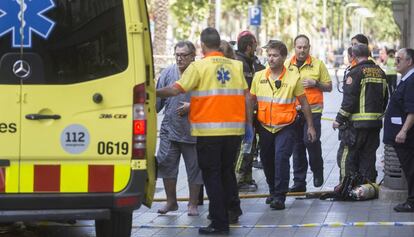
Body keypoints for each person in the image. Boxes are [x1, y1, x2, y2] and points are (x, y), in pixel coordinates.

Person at [156, 27, 250, 234]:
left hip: (209, 133)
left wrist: (149, 91)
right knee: (227, 174)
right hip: (234, 132)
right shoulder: (236, 66)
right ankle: (229, 213)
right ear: (218, 43)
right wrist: (249, 126)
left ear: (202, 45)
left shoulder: (198, 67)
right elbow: (247, 96)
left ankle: (218, 222)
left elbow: (174, 90)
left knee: (212, 177)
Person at [250, 40, 316, 210]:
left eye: (275, 56)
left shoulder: (293, 78)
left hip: (286, 126)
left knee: (281, 158)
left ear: (284, 57)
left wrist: (310, 126)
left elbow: (305, 103)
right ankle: (272, 190)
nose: (271, 59)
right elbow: (251, 101)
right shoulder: (259, 77)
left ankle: (280, 196)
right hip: (264, 126)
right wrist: (247, 124)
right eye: (269, 55)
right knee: (266, 160)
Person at [155, 41, 203, 216]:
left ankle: (193, 204)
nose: (180, 58)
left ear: (193, 56)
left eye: (184, 55)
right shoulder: (168, 72)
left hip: (193, 131)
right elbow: (156, 103)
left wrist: (192, 106)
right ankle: (171, 202)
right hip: (170, 130)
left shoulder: (200, 73)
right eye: (177, 55)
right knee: (167, 165)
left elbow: (209, 99)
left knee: (195, 168)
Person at [333, 44, 388, 183]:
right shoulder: (380, 72)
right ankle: (366, 188)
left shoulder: (356, 72)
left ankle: (346, 187)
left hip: (356, 126)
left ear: (353, 57)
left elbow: (349, 100)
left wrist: (339, 120)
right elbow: (385, 98)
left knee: (346, 157)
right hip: (374, 124)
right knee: (368, 157)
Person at [287, 35, 332, 192]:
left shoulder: (318, 64)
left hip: (313, 112)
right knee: (297, 147)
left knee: (310, 142)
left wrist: (316, 83)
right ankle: (299, 182)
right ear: (294, 47)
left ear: (309, 48)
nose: (302, 50)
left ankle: (317, 171)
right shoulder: (287, 65)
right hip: (294, 112)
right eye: (299, 47)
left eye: (305, 47)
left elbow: (329, 87)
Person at [234, 30, 265, 192]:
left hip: (247, 114)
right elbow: (246, 94)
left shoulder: (247, 61)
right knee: (244, 147)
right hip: (244, 115)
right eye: (254, 46)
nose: (256, 48)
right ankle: (238, 178)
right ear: (248, 46)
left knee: (249, 147)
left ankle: (246, 177)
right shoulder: (242, 64)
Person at [383, 48, 414, 212]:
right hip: (401, 135)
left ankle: (412, 201)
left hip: (407, 137)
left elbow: (412, 110)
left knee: (410, 169)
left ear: (409, 62)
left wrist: (403, 131)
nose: (395, 62)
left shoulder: (411, 81)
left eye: (399, 59)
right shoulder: (406, 79)